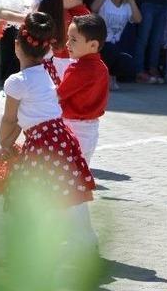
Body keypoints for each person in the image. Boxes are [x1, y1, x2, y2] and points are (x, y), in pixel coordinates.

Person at [0, 13, 95, 232]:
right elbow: (28, 118)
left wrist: (4, 143)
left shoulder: (16, 82)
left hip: (42, 143)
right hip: (62, 137)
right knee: (65, 195)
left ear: (16, 45)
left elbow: (10, 119)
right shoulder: (46, 71)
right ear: (46, 49)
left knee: (32, 198)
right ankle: (81, 245)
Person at [56, 14, 109, 250]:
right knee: (70, 186)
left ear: (93, 45)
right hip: (87, 129)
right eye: (68, 38)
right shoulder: (99, 65)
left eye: (74, 39)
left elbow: (58, 95)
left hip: (75, 129)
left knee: (70, 188)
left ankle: (84, 241)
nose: (68, 44)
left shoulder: (81, 68)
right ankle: (74, 238)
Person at [91, 0, 142, 89]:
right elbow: (93, 8)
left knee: (128, 64)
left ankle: (111, 75)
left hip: (116, 45)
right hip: (101, 44)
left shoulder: (126, 5)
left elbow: (138, 19)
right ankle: (105, 78)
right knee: (110, 50)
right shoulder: (105, 1)